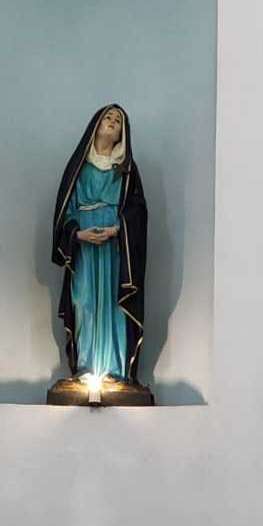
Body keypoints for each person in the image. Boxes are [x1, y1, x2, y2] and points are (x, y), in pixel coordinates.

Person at [52, 104, 148, 386]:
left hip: (115, 247)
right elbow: (65, 210)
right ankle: (86, 367)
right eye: (108, 117)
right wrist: (78, 235)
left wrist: (118, 229)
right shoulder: (79, 168)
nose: (112, 121)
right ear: (96, 125)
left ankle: (115, 372)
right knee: (84, 301)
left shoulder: (126, 171)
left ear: (122, 134)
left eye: (118, 121)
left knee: (114, 304)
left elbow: (138, 212)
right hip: (85, 246)